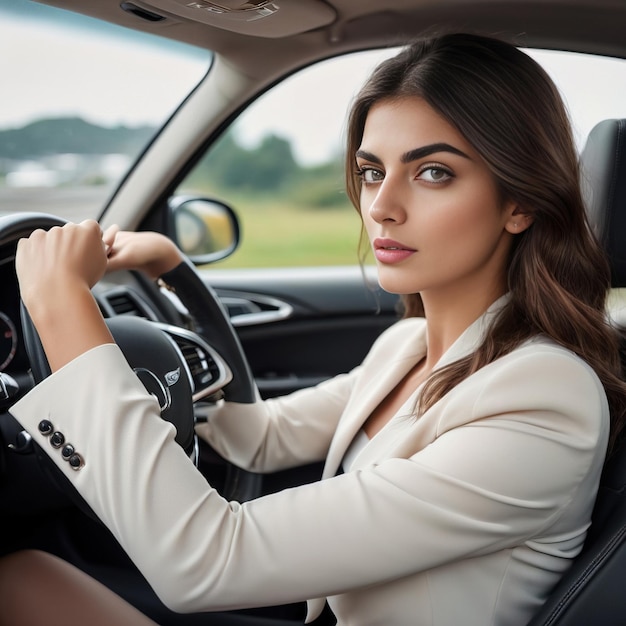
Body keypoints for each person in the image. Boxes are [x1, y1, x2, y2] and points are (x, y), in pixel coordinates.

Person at [1, 32, 625, 626]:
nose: (380, 205)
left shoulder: (546, 396)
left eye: (433, 171)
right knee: (23, 577)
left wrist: (60, 306)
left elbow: (205, 562)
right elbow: (260, 438)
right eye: (373, 170)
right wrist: (173, 268)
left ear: (520, 202)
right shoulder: (405, 347)